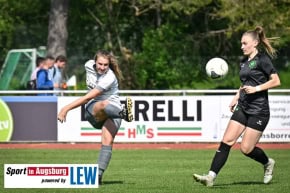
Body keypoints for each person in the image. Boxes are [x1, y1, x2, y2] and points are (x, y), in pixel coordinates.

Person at [193, 26, 281, 187]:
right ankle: (210, 177)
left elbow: (276, 81)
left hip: (259, 111)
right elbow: (244, 84)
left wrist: (257, 89)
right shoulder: (243, 62)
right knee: (227, 140)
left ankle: (268, 163)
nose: (241, 47)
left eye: (244, 43)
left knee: (246, 149)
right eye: (241, 43)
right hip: (243, 107)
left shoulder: (263, 59)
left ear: (255, 43)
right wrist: (236, 98)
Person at [57, 50, 134, 185]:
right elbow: (89, 98)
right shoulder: (88, 65)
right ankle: (123, 113)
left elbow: (88, 96)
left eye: (106, 65)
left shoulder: (109, 77)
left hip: (113, 111)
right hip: (93, 112)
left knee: (107, 142)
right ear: (94, 61)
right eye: (100, 64)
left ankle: (97, 176)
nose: (102, 68)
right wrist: (65, 109)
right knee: (103, 103)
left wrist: (66, 108)